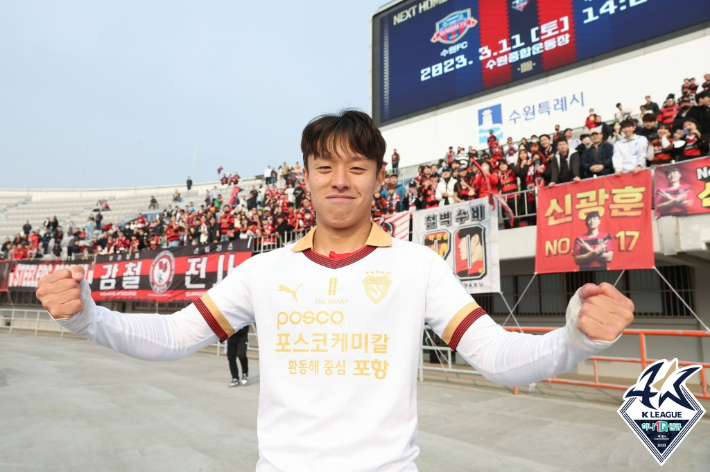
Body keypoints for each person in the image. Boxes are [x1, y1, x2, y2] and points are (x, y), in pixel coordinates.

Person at [38, 109, 634, 471]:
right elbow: (172, 335)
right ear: (305, 178)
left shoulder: (418, 265)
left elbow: (502, 359)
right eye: (324, 166)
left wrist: (572, 339)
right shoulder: (265, 270)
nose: (340, 180)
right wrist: (90, 317)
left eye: (357, 166)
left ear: (379, 177)